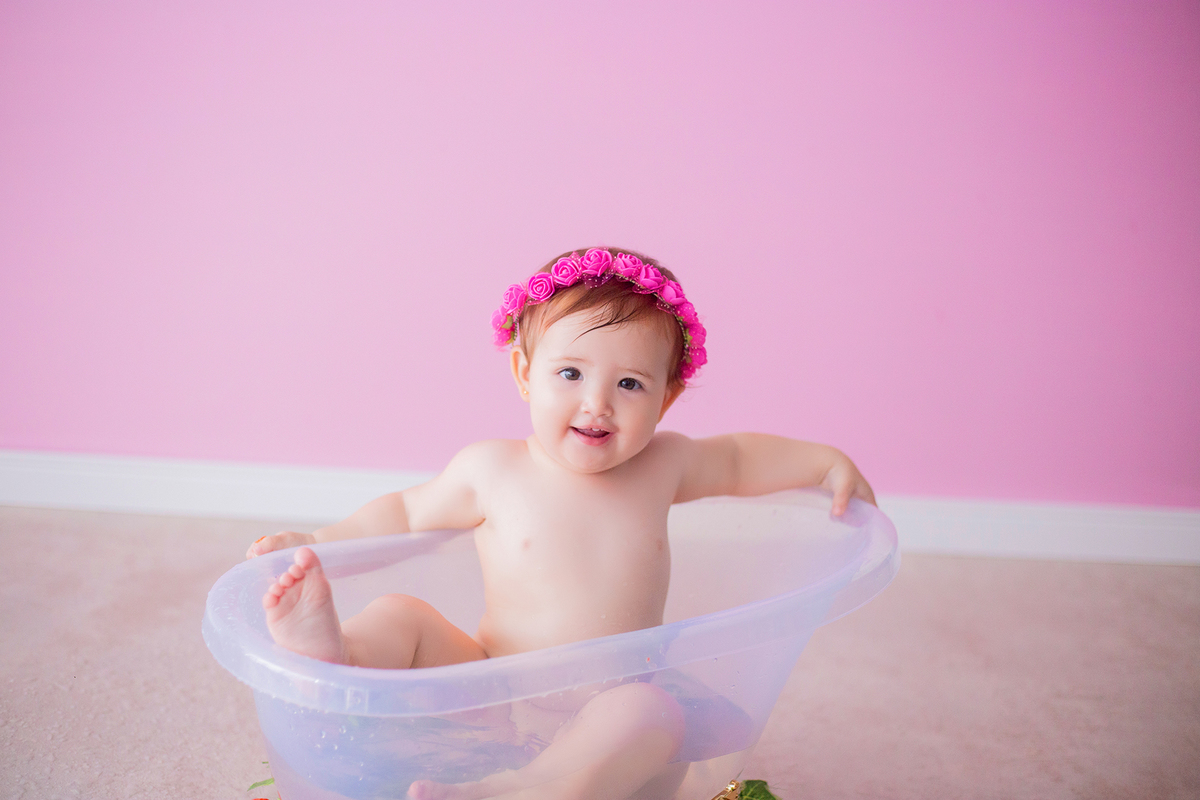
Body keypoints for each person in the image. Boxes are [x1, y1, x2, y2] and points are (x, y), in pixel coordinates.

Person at [247, 247, 875, 800]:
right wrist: (318, 544)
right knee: (401, 614)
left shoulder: (665, 464)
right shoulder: (492, 468)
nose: (596, 404)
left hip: (605, 704)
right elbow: (406, 511)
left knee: (651, 713)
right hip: (491, 688)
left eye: (630, 384)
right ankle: (340, 655)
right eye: (570, 373)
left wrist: (824, 462)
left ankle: (519, 793)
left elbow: (738, 458)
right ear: (525, 374)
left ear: (668, 398)